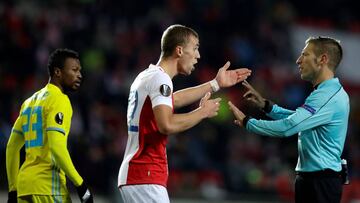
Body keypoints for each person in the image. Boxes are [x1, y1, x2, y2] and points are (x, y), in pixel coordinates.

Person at [118, 24, 251, 203]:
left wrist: (215, 84)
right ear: (179, 50)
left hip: (138, 175)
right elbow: (166, 124)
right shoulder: (160, 78)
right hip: (145, 174)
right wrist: (201, 113)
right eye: (195, 48)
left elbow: (173, 100)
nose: (198, 55)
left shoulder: (148, 76)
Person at [228, 36, 349, 203]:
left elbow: (289, 126)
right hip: (314, 180)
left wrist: (249, 123)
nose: (298, 61)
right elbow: (298, 119)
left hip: (320, 183)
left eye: (305, 55)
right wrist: (266, 106)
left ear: (323, 59)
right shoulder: (326, 93)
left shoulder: (327, 96)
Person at [6, 49, 93, 203]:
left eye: (80, 70)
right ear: (57, 72)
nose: (79, 75)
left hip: (24, 188)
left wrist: (13, 189)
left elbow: (12, 147)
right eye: (74, 70)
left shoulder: (29, 102)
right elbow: (57, 148)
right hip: (49, 187)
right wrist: (81, 185)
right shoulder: (59, 100)